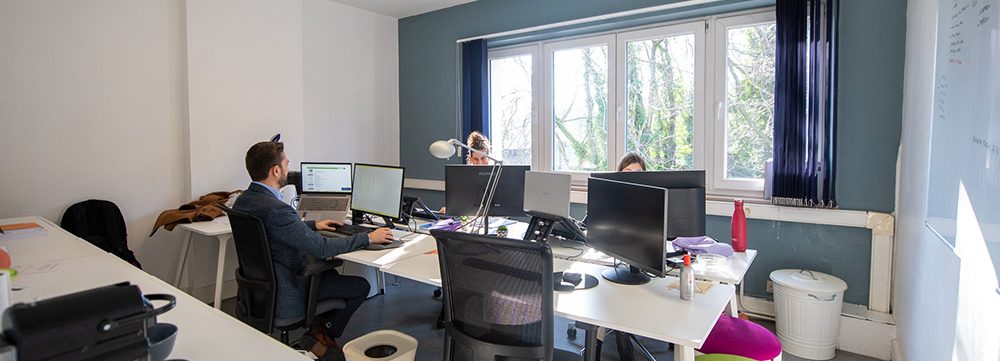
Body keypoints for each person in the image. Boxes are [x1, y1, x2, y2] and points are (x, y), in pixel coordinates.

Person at [233, 141, 394, 361]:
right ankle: (321, 336)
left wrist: (312, 225)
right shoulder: (277, 210)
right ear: (276, 170)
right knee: (360, 286)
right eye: (286, 164)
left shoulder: (244, 200)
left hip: (259, 292)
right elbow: (321, 247)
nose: (289, 169)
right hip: (287, 291)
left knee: (331, 275)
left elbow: (274, 231)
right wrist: (367, 237)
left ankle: (318, 333)